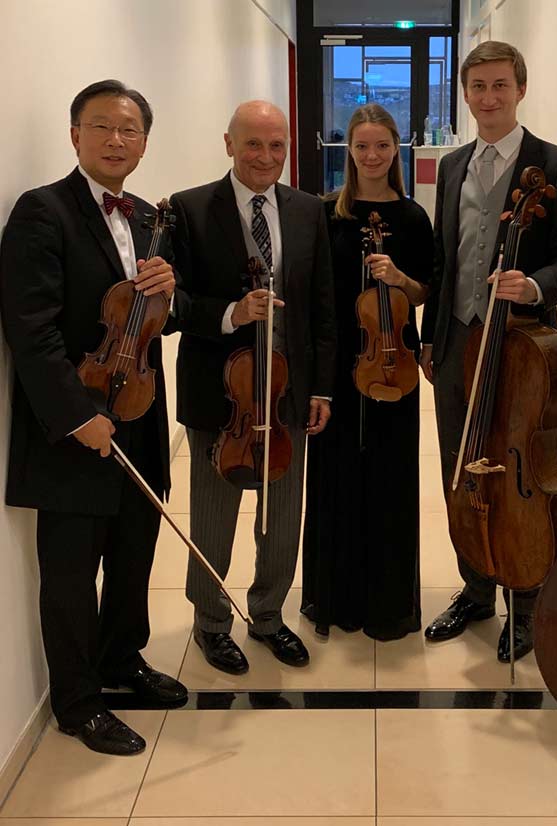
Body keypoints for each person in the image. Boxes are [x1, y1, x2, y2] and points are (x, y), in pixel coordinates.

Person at [0, 80, 187, 756]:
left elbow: (159, 318)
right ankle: (78, 704)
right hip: (76, 425)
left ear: (144, 141)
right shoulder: (41, 212)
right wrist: (78, 415)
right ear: (74, 134)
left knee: (134, 555)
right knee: (73, 574)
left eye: (130, 130)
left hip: (138, 409)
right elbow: (30, 329)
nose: (116, 140)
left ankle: (122, 661)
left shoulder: (144, 215)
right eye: (102, 126)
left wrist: (174, 291)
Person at [419, 41, 557, 663]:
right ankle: (475, 587)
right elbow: (445, 258)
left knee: (520, 467)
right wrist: (430, 336)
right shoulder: (454, 164)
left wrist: (536, 283)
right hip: (458, 337)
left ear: (520, 89)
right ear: (464, 94)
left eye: (499, 86)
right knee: (461, 466)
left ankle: (525, 596)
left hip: (521, 346)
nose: (488, 98)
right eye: (478, 87)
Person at [171, 100, 336, 673]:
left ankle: (268, 616)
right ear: (227, 143)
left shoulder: (309, 209)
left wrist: (321, 388)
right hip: (222, 394)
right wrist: (232, 312)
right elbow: (173, 307)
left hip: (289, 387)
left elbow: (322, 305)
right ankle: (211, 623)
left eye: (277, 145)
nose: (266, 157)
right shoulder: (189, 210)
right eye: (253, 145)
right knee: (214, 516)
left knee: (283, 515)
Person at [301, 104, 432, 640]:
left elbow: (425, 292)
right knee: (335, 475)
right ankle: (335, 598)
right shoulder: (326, 211)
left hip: (392, 359)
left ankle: (386, 602)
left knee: (389, 475)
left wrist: (398, 276)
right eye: (362, 147)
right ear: (348, 151)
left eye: (382, 146)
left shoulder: (413, 216)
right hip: (337, 362)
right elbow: (315, 295)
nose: (372, 156)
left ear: (395, 148)